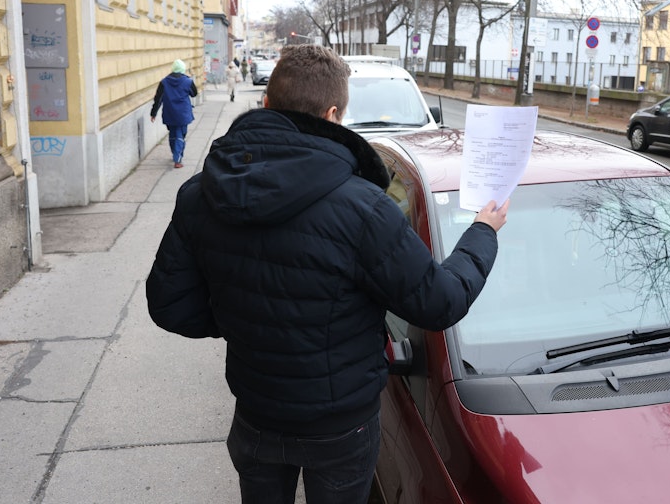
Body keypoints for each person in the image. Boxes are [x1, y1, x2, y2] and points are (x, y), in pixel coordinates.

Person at [145, 44, 508, 504]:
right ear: (334, 114)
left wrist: (241, 320)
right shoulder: (363, 207)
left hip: (256, 412)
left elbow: (169, 305)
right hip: (340, 427)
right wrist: (482, 232)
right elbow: (440, 303)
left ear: (267, 104)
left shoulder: (202, 193)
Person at [150, 59, 197, 169]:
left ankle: (174, 152)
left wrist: (153, 113)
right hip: (183, 114)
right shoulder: (188, 81)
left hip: (169, 113)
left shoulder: (164, 82)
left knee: (173, 133)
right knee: (181, 134)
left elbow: (158, 99)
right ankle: (177, 159)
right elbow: (194, 94)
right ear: (183, 69)